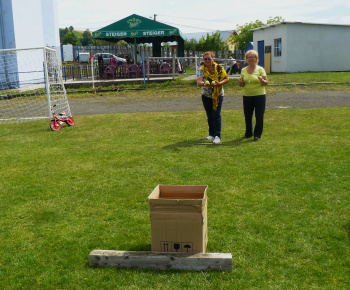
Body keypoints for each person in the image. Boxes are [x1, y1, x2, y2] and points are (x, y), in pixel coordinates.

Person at [197, 51, 229, 144]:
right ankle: (211, 134)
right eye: (205, 59)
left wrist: (219, 83)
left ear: (212, 59)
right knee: (209, 115)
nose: (207, 60)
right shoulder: (201, 69)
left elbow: (227, 79)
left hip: (218, 94)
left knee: (216, 115)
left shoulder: (219, 68)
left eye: (209, 58)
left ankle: (217, 136)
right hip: (206, 95)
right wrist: (206, 84)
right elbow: (199, 82)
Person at [238, 50, 268, 141]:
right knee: (247, 115)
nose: (251, 59)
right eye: (249, 57)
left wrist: (262, 80)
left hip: (259, 95)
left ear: (256, 59)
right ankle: (248, 133)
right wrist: (241, 83)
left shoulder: (260, 69)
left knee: (259, 115)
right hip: (247, 95)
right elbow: (242, 85)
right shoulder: (243, 70)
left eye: (253, 57)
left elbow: (266, 82)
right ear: (246, 59)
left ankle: (257, 134)